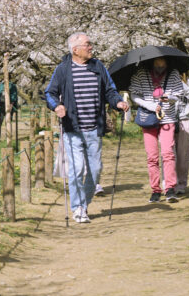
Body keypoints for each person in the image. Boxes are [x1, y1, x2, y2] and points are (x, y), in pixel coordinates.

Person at [43, 33, 129, 223]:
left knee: (95, 170)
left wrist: (118, 103)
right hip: (72, 128)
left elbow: (110, 91)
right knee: (77, 170)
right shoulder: (63, 70)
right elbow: (49, 92)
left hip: (94, 128)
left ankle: (84, 203)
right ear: (75, 49)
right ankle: (78, 208)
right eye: (87, 45)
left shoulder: (98, 67)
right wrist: (56, 106)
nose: (91, 47)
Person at [129, 57, 187, 202]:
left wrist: (170, 97)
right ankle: (155, 189)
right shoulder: (141, 74)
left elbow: (179, 94)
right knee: (152, 156)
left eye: (163, 62)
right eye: (157, 62)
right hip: (148, 118)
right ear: (151, 62)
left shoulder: (173, 74)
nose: (160, 65)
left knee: (168, 153)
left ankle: (170, 188)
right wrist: (150, 105)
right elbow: (134, 94)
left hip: (168, 118)